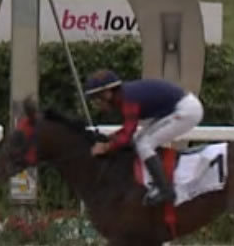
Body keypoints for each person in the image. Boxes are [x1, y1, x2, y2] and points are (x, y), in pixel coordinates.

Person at [83, 69, 205, 205]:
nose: (96, 104)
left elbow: (127, 135)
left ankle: (165, 190)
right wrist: (110, 139)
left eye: (96, 99)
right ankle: (156, 182)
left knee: (144, 144)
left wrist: (106, 147)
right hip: (178, 108)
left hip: (186, 111)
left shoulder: (128, 99)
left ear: (107, 94)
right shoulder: (125, 95)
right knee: (140, 141)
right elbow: (128, 132)